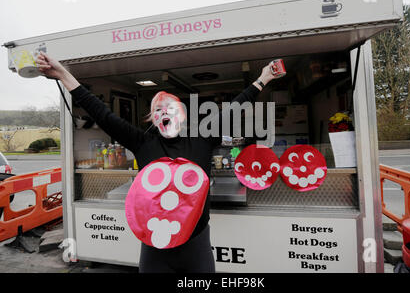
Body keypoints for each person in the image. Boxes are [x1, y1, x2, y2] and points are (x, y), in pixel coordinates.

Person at [36, 51, 281, 272]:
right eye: (157, 110)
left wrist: (263, 79)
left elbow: (234, 108)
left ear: (182, 115)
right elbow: (101, 112)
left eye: (169, 108)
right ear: (153, 120)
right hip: (154, 251)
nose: (164, 112)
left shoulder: (202, 140)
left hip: (196, 249)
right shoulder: (143, 143)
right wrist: (63, 74)